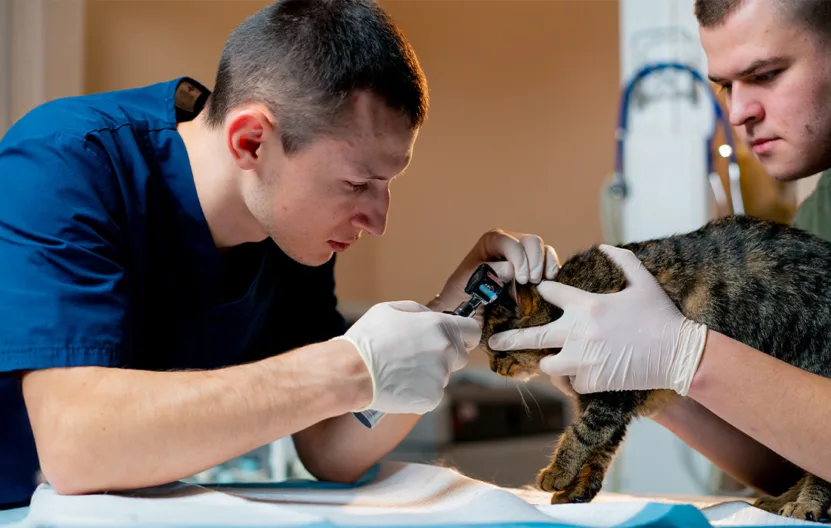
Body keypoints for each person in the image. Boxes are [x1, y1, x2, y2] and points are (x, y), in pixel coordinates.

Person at [0, 0, 561, 510]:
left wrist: (450, 316)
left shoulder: (291, 234)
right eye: (355, 183)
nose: (378, 221)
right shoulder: (66, 164)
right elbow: (77, 447)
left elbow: (331, 450)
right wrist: (352, 367)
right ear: (251, 142)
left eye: (388, 182)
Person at [489, 0, 831, 506]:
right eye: (725, 85)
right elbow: (807, 460)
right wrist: (637, 375)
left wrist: (689, 356)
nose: (738, 111)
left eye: (764, 74)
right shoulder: (820, 219)